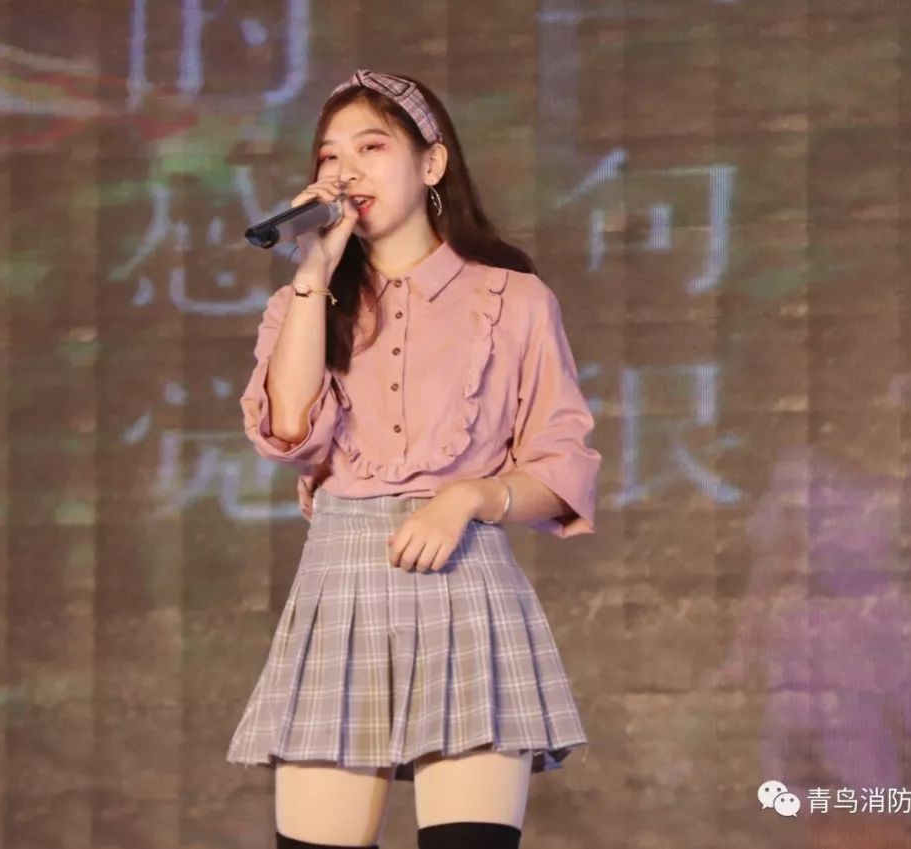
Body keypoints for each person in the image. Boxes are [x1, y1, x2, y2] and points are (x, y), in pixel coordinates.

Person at [227, 69, 602, 849]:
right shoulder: (302, 305)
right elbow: (289, 430)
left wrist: (469, 497)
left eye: (371, 147)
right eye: (329, 157)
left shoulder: (513, 299)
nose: (346, 172)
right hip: (341, 587)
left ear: (432, 163)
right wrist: (312, 276)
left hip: (464, 584)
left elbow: (562, 463)